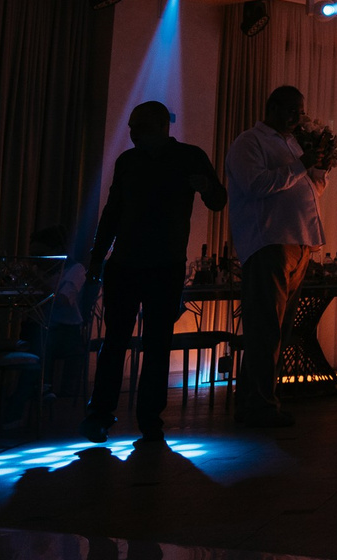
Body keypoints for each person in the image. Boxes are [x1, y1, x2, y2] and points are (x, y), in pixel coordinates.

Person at [82, 101, 226, 442]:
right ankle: (142, 420)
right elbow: (113, 212)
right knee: (141, 343)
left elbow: (218, 199)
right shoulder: (147, 159)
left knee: (132, 342)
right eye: (132, 127)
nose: (132, 133)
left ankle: (110, 416)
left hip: (146, 264)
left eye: (139, 127)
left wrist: (97, 260)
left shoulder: (170, 158)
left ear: (162, 127)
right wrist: (97, 259)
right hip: (148, 264)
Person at [226, 85, 327, 426]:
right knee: (265, 328)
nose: (298, 117)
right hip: (269, 242)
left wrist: (319, 169)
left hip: (299, 242)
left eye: (301, 111)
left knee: (279, 329)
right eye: (293, 110)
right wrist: (301, 165)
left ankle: (256, 401)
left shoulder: (293, 144)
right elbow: (255, 184)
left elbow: (311, 189)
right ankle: (261, 405)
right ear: (272, 107)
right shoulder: (249, 142)